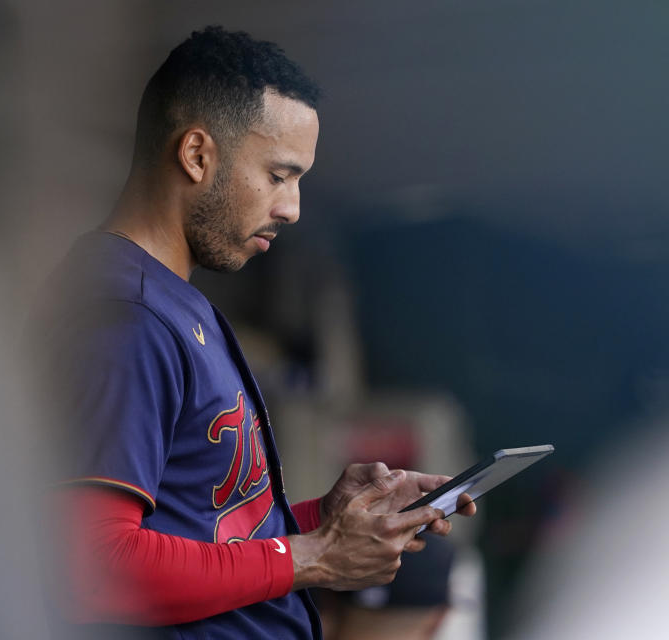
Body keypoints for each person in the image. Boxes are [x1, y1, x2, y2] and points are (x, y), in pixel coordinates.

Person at [36, 26, 475, 639]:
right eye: (278, 175)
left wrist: (326, 521)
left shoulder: (172, 300)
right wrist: (317, 555)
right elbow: (95, 567)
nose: (292, 207)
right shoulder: (124, 318)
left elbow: (204, 533)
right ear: (196, 155)